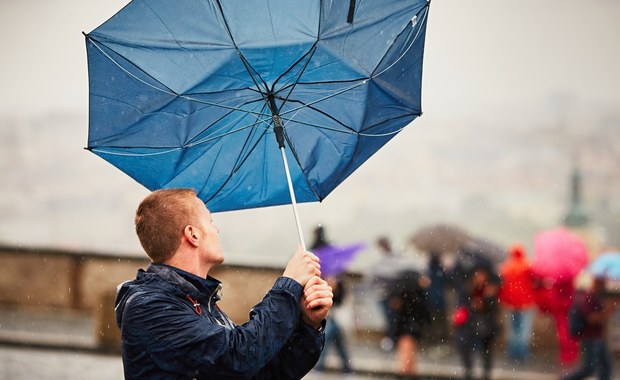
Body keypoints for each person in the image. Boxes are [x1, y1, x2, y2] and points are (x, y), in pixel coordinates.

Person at [115, 188, 333, 379]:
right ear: (192, 234)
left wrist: (307, 324)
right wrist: (289, 284)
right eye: (210, 221)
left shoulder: (197, 301)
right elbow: (238, 358)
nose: (216, 230)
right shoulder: (149, 307)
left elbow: (263, 373)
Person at [310, 225, 352, 374]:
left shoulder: (316, 253)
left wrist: (334, 288)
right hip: (332, 313)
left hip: (334, 313)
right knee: (336, 340)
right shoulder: (329, 258)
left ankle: (320, 367)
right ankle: (347, 369)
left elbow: (339, 298)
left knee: (326, 338)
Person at [562, 276, 617, 380]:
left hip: (598, 338)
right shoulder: (589, 298)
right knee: (589, 369)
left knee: (606, 367)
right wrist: (606, 312)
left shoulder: (598, 298)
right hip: (590, 338)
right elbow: (590, 319)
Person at [453, 267, 500, 380]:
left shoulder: (490, 289)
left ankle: (486, 374)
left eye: (482, 275)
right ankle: (468, 372)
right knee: (465, 347)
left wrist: (486, 302)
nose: (480, 278)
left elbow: (495, 309)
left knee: (486, 350)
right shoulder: (467, 288)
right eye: (478, 275)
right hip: (470, 324)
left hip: (486, 324)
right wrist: (472, 306)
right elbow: (461, 305)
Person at [388, 270, 431, 376]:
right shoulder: (411, 290)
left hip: (408, 326)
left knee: (408, 353)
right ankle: (406, 373)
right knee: (407, 351)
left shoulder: (410, 291)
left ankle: (406, 373)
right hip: (408, 326)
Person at [498, 243, 535, 363]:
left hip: (510, 303)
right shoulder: (527, 266)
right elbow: (536, 280)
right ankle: (522, 354)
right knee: (524, 330)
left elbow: (501, 284)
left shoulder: (505, 267)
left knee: (512, 329)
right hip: (526, 303)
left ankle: (512, 353)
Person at [426, 252, 448, 344]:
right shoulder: (441, 271)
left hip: (430, 299)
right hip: (440, 299)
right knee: (441, 320)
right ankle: (442, 338)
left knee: (432, 320)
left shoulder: (428, 271)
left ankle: (433, 338)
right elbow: (447, 281)